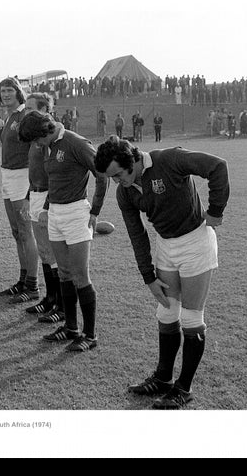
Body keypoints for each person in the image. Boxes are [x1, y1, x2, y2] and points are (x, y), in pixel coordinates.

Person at [94, 136, 230, 408]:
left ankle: (184, 388)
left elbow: (217, 167)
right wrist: (148, 277)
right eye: (112, 178)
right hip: (165, 247)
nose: (118, 182)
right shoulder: (125, 192)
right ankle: (163, 378)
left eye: (119, 174)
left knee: (191, 318)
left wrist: (215, 210)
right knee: (167, 313)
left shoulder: (169, 159)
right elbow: (137, 234)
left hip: (196, 243)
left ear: (132, 160)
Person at [17, 110, 107, 352]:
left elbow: (102, 175)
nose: (36, 144)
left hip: (77, 214)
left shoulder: (76, 143)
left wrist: (95, 211)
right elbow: (55, 180)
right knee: (64, 273)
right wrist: (47, 207)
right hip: (55, 213)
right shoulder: (51, 145)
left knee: (80, 275)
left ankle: (90, 335)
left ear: (45, 130)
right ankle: (71, 328)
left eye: (36, 139)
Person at [0, 76, 40, 304]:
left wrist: (29, 187)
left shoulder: (25, 115)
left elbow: (35, 150)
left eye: (9, 90)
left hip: (22, 175)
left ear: (18, 92)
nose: (5, 94)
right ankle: (22, 279)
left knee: (25, 231)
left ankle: (32, 284)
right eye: (2, 91)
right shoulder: (11, 116)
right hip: (8, 176)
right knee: (16, 232)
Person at [21, 93, 63, 322]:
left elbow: (53, 173)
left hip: (48, 196)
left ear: (45, 108)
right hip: (36, 194)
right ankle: (49, 299)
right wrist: (28, 196)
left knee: (53, 253)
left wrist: (45, 204)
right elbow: (35, 171)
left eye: (30, 108)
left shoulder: (50, 137)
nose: (26, 111)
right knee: (45, 252)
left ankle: (60, 303)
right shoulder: (35, 135)